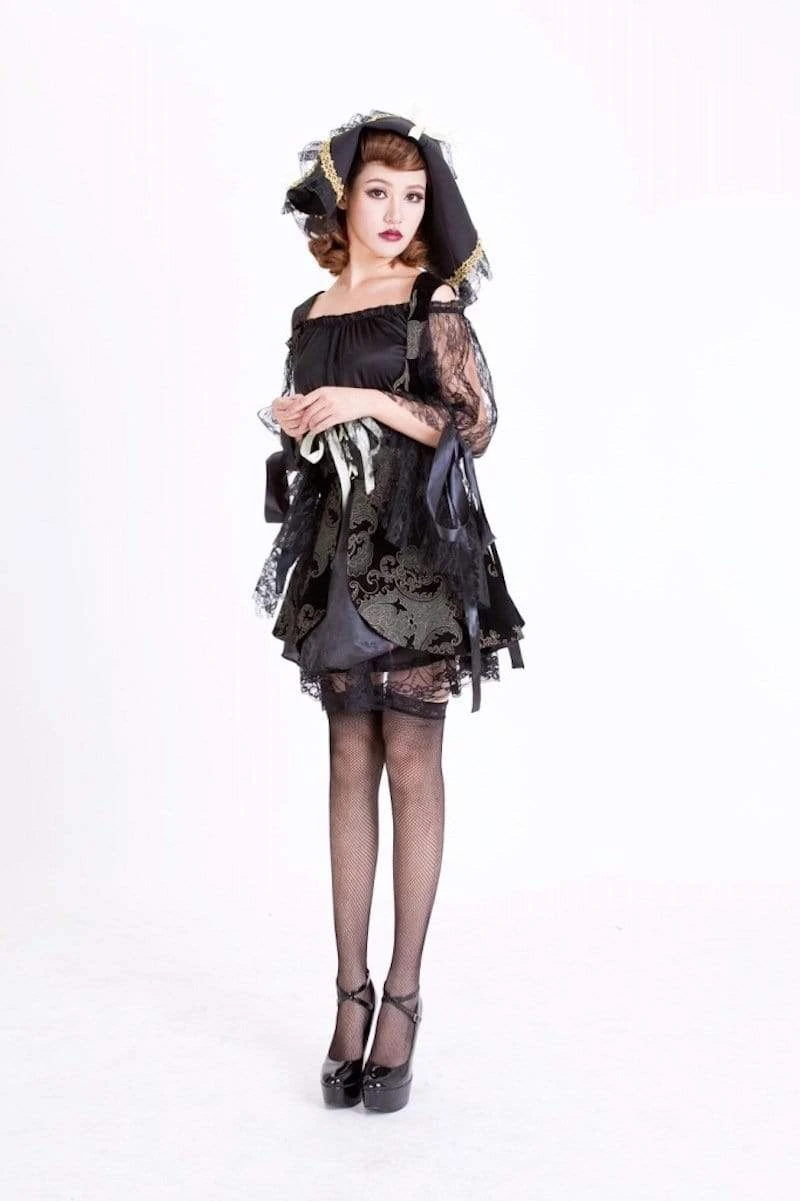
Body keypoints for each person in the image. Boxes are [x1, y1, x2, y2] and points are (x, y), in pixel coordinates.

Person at [252, 111, 526, 1112]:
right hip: (339, 554)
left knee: (411, 758)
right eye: (378, 192)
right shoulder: (313, 311)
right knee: (345, 760)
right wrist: (298, 420)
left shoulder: (428, 301)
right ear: (345, 201)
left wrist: (365, 401)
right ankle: (349, 995)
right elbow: (315, 448)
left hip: (417, 554)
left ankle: (402, 998)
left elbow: (474, 426)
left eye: (413, 196)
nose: (396, 211)